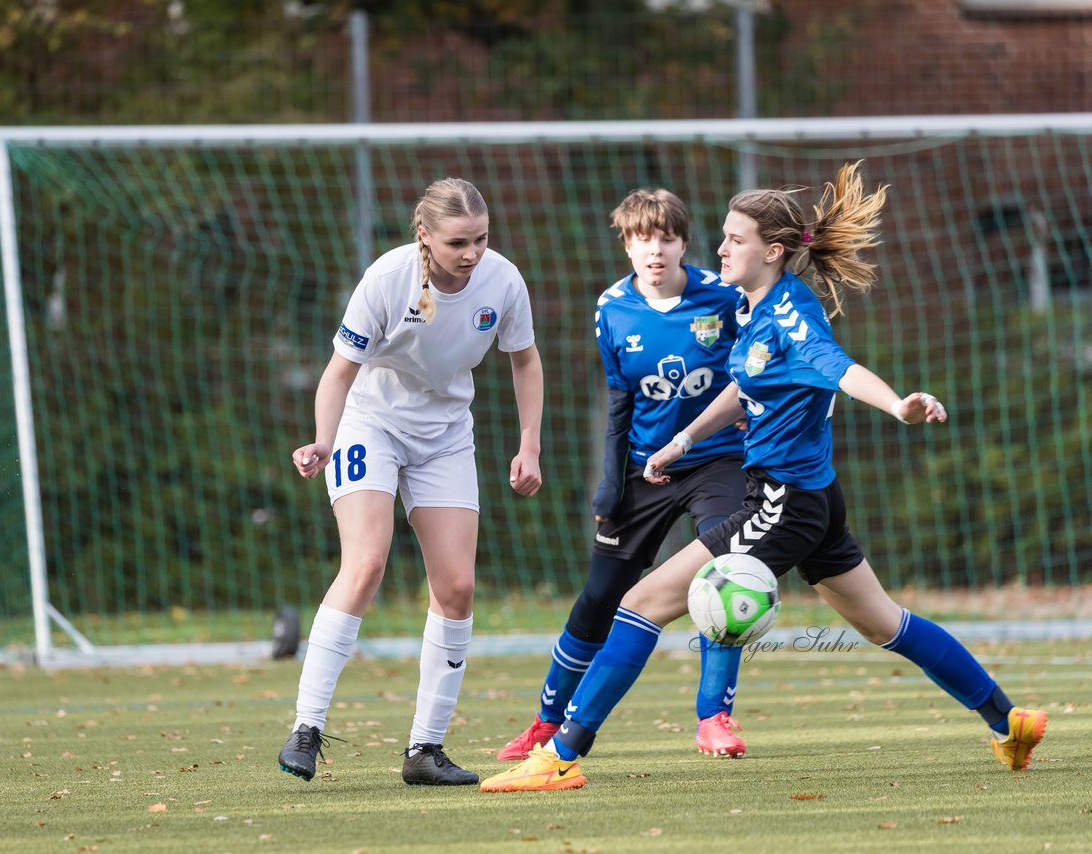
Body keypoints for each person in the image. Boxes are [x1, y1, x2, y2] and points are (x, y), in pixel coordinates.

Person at [481, 162, 1047, 792]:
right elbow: (742, 385)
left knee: (641, 603)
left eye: (735, 239)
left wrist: (896, 405)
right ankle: (1009, 720)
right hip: (809, 499)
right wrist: (685, 437)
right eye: (722, 236)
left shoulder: (792, 317)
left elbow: (840, 368)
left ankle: (561, 755)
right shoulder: (754, 307)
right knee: (882, 622)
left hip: (781, 500)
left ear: (772, 251)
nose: (719, 248)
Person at [277, 177, 544, 787]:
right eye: (458, 243)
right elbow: (338, 373)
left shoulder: (503, 281)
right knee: (366, 563)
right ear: (425, 236)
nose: (473, 253)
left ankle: (425, 749)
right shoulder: (386, 279)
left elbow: (525, 361)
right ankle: (306, 727)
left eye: (480, 239)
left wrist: (529, 445)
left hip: (447, 434)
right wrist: (323, 438)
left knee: (457, 588)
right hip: (369, 425)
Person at [495, 188, 752, 764]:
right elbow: (620, 399)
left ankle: (713, 716)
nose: (654, 250)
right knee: (599, 596)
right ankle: (546, 721)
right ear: (627, 244)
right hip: (644, 468)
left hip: (719, 460)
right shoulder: (611, 308)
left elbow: (752, 378)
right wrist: (612, 480)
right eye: (642, 239)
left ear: (684, 242)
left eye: (666, 238)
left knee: (724, 574)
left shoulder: (725, 296)